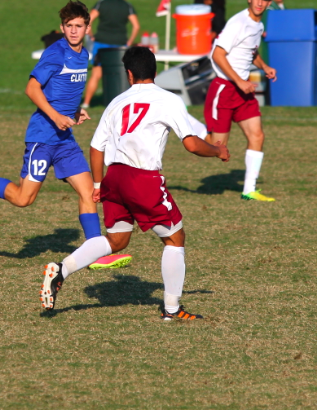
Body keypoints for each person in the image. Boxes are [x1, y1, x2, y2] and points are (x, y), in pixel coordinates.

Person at [40, 46, 229, 318]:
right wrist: (218, 151)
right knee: (175, 239)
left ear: (129, 74)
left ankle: (62, 269)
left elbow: (95, 147)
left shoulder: (116, 102)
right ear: (155, 71)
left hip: (114, 178)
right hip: (142, 178)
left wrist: (97, 185)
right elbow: (191, 144)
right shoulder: (168, 99)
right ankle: (173, 310)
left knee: (117, 240)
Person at [0, 1, 127, 264]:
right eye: (69, 26)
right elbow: (32, 88)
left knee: (89, 193)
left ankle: (94, 253)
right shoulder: (55, 53)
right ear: (62, 28)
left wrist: (73, 113)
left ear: (87, 27)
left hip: (65, 140)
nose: (74, 31)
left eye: (79, 26)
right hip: (43, 137)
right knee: (23, 198)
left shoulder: (84, 54)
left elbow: (61, 91)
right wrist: (55, 116)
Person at [203, 0, 277, 202]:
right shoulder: (238, 22)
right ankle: (185, 124)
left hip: (243, 91)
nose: (260, 3)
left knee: (257, 135)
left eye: (264, 0)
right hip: (225, 87)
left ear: (269, 2)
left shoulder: (258, 26)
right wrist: (238, 81)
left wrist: (264, 67)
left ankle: (249, 189)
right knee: (218, 148)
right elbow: (217, 54)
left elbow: (250, 51)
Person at [81, 0, 139, 109]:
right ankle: (124, 103)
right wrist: (130, 41)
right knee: (121, 74)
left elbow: (88, 21)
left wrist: (91, 36)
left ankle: (86, 102)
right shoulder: (127, 6)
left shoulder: (101, 3)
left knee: (96, 75)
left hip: (101, 43)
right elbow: (136, 26)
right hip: (119, 45)